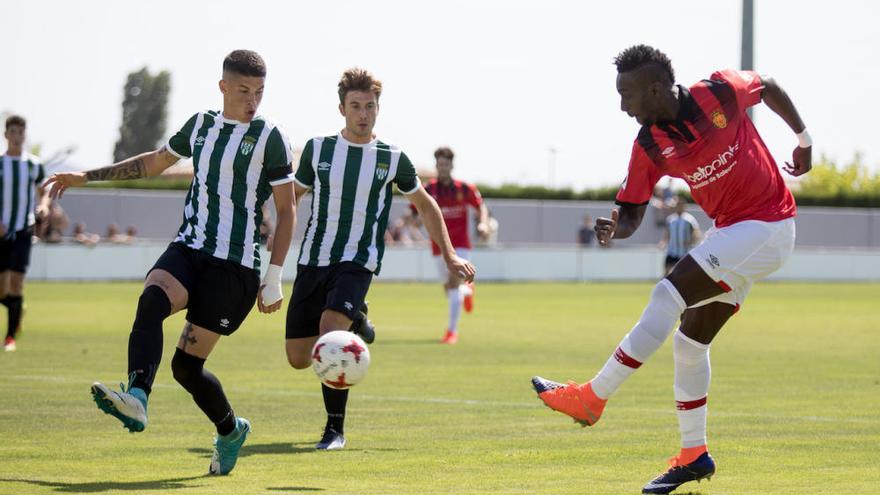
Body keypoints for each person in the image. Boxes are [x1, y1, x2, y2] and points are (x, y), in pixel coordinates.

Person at [531, 44, 811, 494]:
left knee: (667, 295)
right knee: (688, 343)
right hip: (736, 235)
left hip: (769, 224)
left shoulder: (718, 91)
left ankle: (592, 398)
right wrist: (615, 229)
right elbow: (632, 212)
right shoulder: (648, 143)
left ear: (656, 88)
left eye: (628, 94)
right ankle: (693, 454)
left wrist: (804, 141)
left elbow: (769, 87)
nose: (622, 106)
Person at [44, 50, 296, 476]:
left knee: (186, 367)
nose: (252, 100)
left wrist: (273, 277)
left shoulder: (271, 137)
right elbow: (154, 162)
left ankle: (231, 430)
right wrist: (87, 176)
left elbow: (287, 211)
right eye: (242, 91)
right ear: (223, 87)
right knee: (151, 301)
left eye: (259, 92)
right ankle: (137, 398)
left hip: (235, 267)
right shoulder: (200, 126)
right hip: (189, 246)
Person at [286, 68, 475, 450]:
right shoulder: (318, 150)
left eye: (370, 106)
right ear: (341, 108)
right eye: (355, 106)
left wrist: (451, 254)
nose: (363, 114)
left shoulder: (392, 157)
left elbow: (426, 205)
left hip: (359, 260)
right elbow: (290, 199)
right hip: (313, 259)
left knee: (331, 333)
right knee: (298, 358)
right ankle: (358, 317)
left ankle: (334, 429)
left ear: (378, 108)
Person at [413, 146, 488, 344]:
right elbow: (416, 210)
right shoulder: (429, 189)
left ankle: (451, 332)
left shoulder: (465, 188)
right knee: (449, 288)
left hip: (461, 246)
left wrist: (483, 223)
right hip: (438, 246)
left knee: (453, 285)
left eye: (446, 164)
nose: (442, 167)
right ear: (436, 165)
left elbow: (481, 207)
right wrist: (411, 221)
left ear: (451, 165)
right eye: (439, 164)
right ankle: (468, 291)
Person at [1, 115, 50, 352]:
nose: (18, 136)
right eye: (13, 131)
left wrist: (44, 206)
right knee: (2, 289)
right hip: (0, 231)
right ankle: (16, 307)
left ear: (24, 135)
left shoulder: (33, 164)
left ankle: (10, 337)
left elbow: (44, 191)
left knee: (17, 282)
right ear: (6, 134)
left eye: (21, 132)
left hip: (24, 229)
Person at [660, 197, 701, 275]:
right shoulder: (670, 219)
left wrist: (691, 241)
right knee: (666, 271)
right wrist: (663, 242)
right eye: (678, 205)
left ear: (684, 206)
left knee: (685, 273)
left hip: (684, 252)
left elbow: (696, 232)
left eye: (681, 205)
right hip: (672, 250)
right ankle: (667, 286)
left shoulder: (689, 219)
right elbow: (667, 233)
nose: (679, 207)